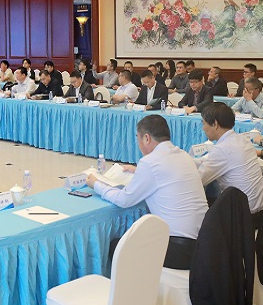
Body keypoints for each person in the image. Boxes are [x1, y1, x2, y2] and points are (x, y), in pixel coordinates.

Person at [85, 114, 208, 270]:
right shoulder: (183, 155)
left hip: (180, 249)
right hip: (204, 241)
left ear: (147, 138)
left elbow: (124, 200)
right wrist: (137, 171)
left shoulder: (150, 162)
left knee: (117, 246)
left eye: (138, 139)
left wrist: (96, 184)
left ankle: (134, 286)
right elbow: (165, 175)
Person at [197, 103, 263, 215]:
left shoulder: (222, 149)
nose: (203, 128)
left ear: (215, 124)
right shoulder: (243, 140)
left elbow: (198, 180)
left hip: (242, 216)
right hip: (262, 209)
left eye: (204, 123)